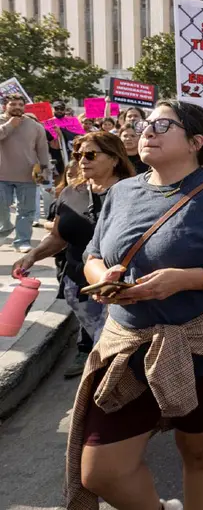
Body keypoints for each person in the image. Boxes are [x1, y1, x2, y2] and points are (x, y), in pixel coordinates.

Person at [68, 100, 203, 510]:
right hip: (127, 352)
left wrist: (186, 280)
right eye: (147, 122)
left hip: (202, 352)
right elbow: (93, 255)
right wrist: (101, 278)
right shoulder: (122, 191)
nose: (148, 130)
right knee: (100, 471)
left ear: (196, 142)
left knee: (199, 449)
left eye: (163, 124)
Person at [13, 132, 134, 378]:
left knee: (113, 351)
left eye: (90, 154)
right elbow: (58, 237)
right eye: (79, 155)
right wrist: (32, 256)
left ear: (114, 159)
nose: (82, 160)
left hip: (120, 288)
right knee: (103, 346)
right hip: (77, 286)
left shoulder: (135, 192)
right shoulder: (70, 192)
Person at [1, 94, 50, 253]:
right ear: (4, 106)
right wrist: (9, 125)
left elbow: (42, 150)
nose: (17, 107)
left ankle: (22, 241)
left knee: (26, 211)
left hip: (27, 175)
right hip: (1, 175)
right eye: (13, 104)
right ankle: (5, 227)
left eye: (20, 105)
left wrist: (44, 171)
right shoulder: (2, 122)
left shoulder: (35, 126)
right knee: (1, 208)